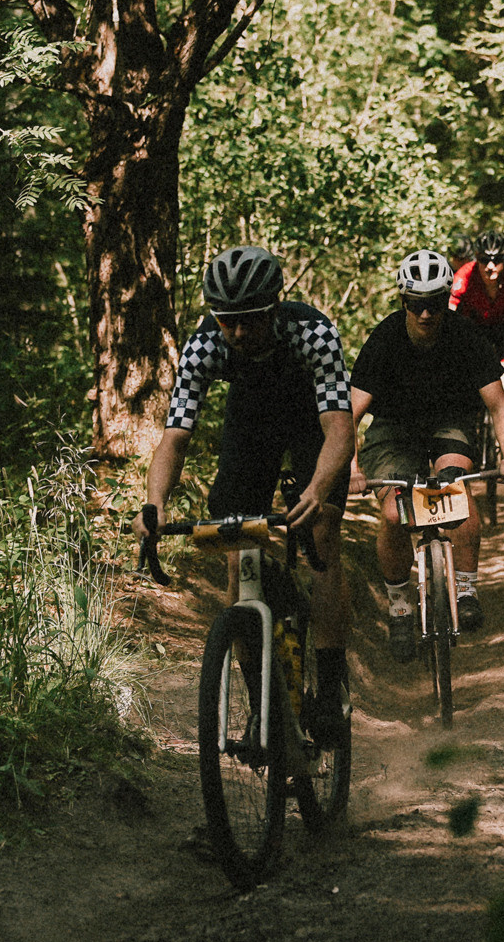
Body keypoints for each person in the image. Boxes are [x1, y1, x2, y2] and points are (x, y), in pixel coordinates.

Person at [142, 247, 354, 739]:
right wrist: (154, 504)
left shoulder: (313, 332)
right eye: (227, 321)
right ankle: (262, 705)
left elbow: (340, 432)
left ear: (274, 307)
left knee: (322, 536)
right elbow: (175, 438)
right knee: (238, 553)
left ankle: (331, 684)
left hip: (312, 422)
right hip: (252, 421)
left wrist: (317, 490)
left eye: (250, 320)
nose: (237, 333)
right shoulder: (203, 346)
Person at [348, 250, 504, 654]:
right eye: (416, 304)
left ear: (447, 299)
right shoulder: (384, 340)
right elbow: (350, 415)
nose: (426, 314)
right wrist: (353, 469)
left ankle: (466, 589)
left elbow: (499, 405)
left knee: (455, 489)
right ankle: (399, 608)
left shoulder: (466, 337)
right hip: (394, 429)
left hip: (449, 422)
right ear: (403, 301)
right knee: (394, 513)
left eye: (435, 303)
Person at [449, 230, 504, 372]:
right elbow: (449, 310)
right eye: (484, 260)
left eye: (497, 260)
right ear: (476, 258)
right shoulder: (464, 276)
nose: (490, 266)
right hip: (474, 331)